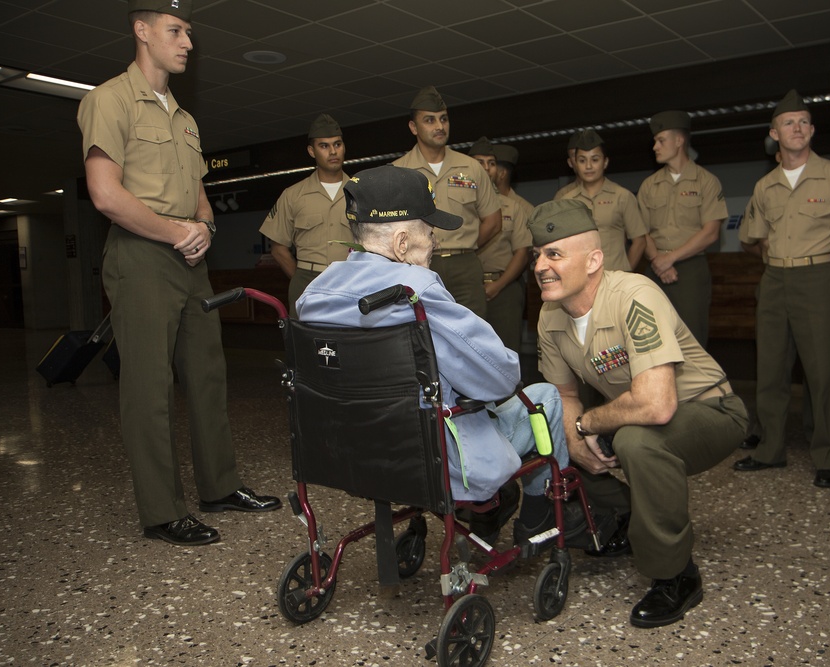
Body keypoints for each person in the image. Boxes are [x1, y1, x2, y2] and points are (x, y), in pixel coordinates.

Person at [296, 165, 610, 548]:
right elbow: (500, 377)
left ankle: (492, 512)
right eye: (429, 233)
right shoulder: (416, 291)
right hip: (436, 458)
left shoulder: (314, 295)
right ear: (400, 243)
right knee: (544, 398)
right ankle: (539, 516)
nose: (435, 243)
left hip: (351, 452)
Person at [76, 0, 280, 547]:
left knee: (208, 374)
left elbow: (199, 198)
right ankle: (162, 511)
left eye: (188, 31)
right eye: (175, 30)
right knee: (148, 386)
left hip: (189, 258)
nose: (187, 41)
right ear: (142, 31)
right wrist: (175, 233)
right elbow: (104, 193)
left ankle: (220, 486)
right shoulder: (109, 99)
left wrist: (204, 232)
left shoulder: (185, 120)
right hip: (142, 256)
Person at [530, 199, 748, 628]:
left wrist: (586, 424)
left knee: (637, 441)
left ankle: (676, 574)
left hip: (709, 408)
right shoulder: (550, 315)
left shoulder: (634, 295)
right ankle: (625, 518)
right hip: (636, 412)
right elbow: (563, 394)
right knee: (545, 431)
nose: (540, 265)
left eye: (554, 254)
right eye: (537, 254)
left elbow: (657, 404)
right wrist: (575, 437)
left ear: (594, 260)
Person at [733, 89, 830, 488]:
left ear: (813, 130)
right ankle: (769, 449)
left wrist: (826, 269)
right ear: (774, 132)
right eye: (789, 123)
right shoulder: (765, 185)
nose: (798, 128)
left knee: (824, 371)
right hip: (774, 280)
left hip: (818, 276)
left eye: (804, 122)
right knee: (770, 370)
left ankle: (829, 457)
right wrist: (776, 261)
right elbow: (751, 236)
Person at [392, 85, 501, 319]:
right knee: (420, 330)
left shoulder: (471, 167)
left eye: (443, 119)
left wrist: (466, 245)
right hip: (417, 265)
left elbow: (493, 220)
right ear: (413, 127)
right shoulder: (399, 171)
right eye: (430, 120)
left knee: (472, 331)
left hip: (465, 265)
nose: (439, 126)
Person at [638, 110, 727, 347]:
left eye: (661, 140)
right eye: (655, 141)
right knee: (652, 340)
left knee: (692, 340)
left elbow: (711, 232)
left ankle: (696, 387)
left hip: (690, 270)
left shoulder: (706, 182)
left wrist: (671, 259)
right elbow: (641, 231)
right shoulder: (649, 185)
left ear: (679, 141)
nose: (655, 146)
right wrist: (658, 260)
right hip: (655, 269)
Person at [259, 114, 353, 316]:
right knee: (305, 344)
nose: (333, 151)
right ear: (312, 151)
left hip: (351, 278)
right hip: (307, 280)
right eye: (324, 146)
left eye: (337, 144)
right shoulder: (293, 195)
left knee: (353, 343)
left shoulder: (361, 192)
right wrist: (301, 278)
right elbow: (278, 248)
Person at [469, 137, 532, 353]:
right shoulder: (460, 207)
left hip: (504, 288)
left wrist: (497, 285)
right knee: (470, 350)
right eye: (480, 163)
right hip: (467, 287)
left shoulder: (513, 208)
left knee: (506, 352)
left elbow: (522, 253)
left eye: (492, 163)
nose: (486, 168)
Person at [555, 129, 647, 272]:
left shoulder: (622, 196)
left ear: (605, 162)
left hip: (614, 280)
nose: (589, 166)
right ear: (575, 164)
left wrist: (625, 275)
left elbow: (639, 241)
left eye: (595, 159)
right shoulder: (566, 201)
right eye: (582, 160)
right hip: (580, 281)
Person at [492, 143, 534, 217]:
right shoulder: (480, 203)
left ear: (502, 173)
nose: (486, 169)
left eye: (491, 165)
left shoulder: (525, 209)